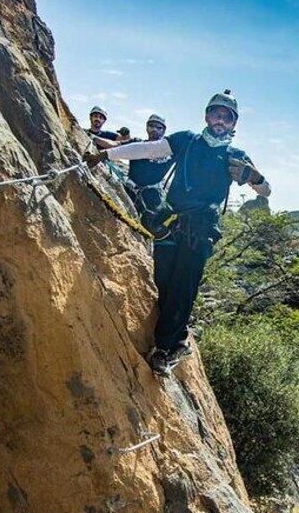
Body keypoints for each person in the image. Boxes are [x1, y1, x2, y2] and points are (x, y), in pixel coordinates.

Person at [83, 90, 271, 374]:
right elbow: (148, 149)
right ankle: (180, 339)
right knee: (163, 281)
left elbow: (265, 190)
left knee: (183, 287)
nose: (220, 120)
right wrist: (106, 154)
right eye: (216, 114)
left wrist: (255, 177)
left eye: (226, 116)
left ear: (234, 123)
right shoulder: (186, 141)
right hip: (172, 221)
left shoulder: (236, 156)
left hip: (203, 228)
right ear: (207, 116)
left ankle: (165, 349)